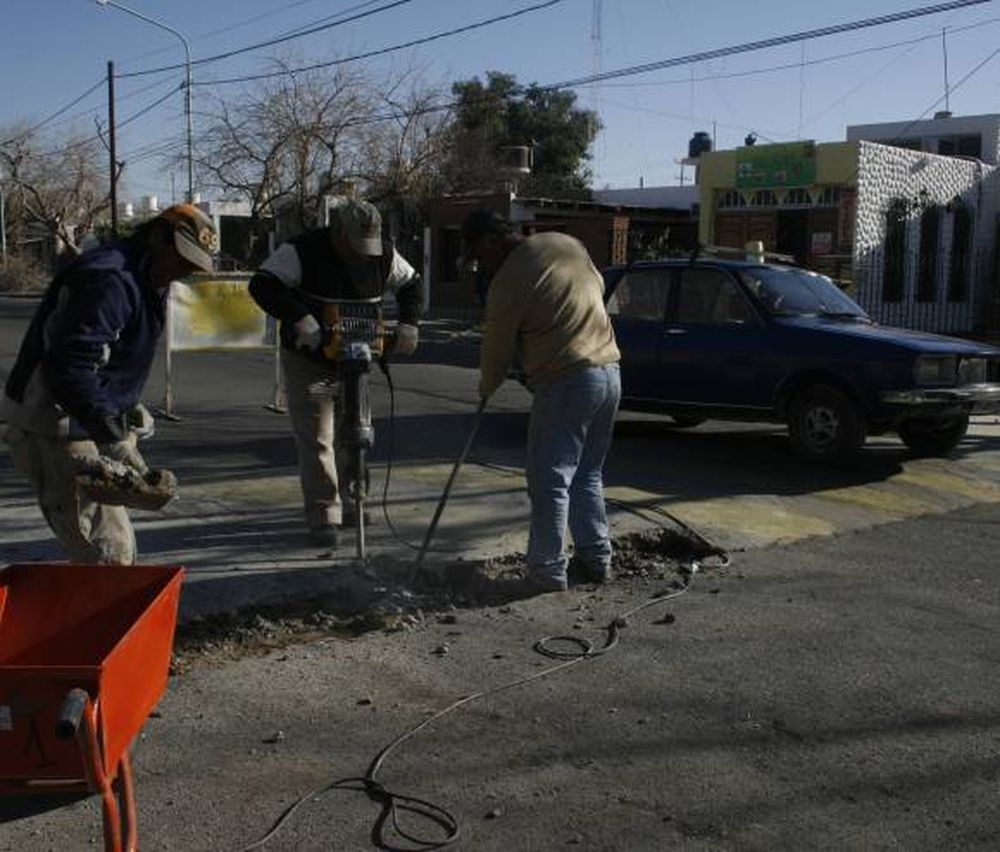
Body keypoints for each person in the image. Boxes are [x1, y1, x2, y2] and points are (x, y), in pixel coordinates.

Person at [2, 204, 218, 564]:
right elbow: (71, 367)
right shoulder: (111, 279)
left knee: (112, 547)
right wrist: (113, 437)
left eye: (192, 265)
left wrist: (125, 403)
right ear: (156, 238)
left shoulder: (147, 273)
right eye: (181, 259)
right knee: (106, 553)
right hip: (57, 424)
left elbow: (109, 353)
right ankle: (97, 619)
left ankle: (100, 614)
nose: (184, 271)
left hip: (81, 416)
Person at [461, 208, 621, 593]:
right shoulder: (565, 244)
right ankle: (596, 558)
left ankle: (547, 572)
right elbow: (596, 287)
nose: (481, 266)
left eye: (479, 256)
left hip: (566, 379)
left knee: (550, 480)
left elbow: (496, 349)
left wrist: (487, 386)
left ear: (488, 242)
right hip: (611, 371)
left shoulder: (508, 281)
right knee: (587, 474)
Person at [248, 197, 422, 549]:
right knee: (318, 437)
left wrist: (409, 324)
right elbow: (262, 285)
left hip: (357, 361)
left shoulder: (383, 254)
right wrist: (301, 319)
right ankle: (324, 512)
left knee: (356, 433)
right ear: (338, 233)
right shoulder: (303, 250)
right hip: (311, 360)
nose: (363, 254)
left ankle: (356, 501)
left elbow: (412, 284)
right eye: (356, 245)